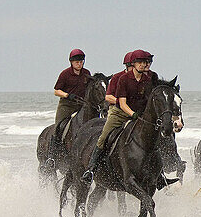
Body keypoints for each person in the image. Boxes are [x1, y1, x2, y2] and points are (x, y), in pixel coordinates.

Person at [84, 50, 154, 182]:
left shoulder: (147, 79)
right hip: (120, 112)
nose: (142, 65)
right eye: (137, 63)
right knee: (103, 137)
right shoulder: (120, 78)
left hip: (136, 113)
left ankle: (159, 174)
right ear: (129, 65)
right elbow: (114, 99)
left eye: (144, 63)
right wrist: (131, 112)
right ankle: (91, 169)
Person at [52, 49, 91, 138]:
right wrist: (67, 95)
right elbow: (56, 91)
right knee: (59, 127)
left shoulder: (86, 73)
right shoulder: (65, 74)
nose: (79, 64)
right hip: (67, 105)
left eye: (81, 62)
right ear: (71, 62)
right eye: (77, 62)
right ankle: (54, 145)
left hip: (82, 104)